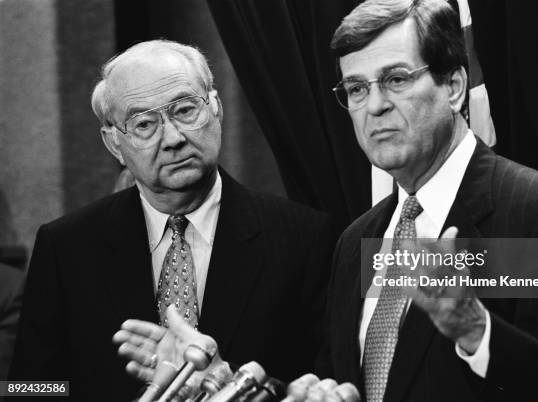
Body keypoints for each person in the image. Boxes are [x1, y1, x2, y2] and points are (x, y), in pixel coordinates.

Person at [283, 0, 538, 401]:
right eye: (356, 88)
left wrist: (476, 330)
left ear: (453, 88)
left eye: (396, 79)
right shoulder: (354, 243)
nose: (375, 105)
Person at [9, 40, 334, 401]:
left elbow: (329, 383)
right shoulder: (66, 247)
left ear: (217, 109)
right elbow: (29, 387)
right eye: (145, 124)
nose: (174, 139)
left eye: (184, 110)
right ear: (114, 143)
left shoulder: (305, 237)